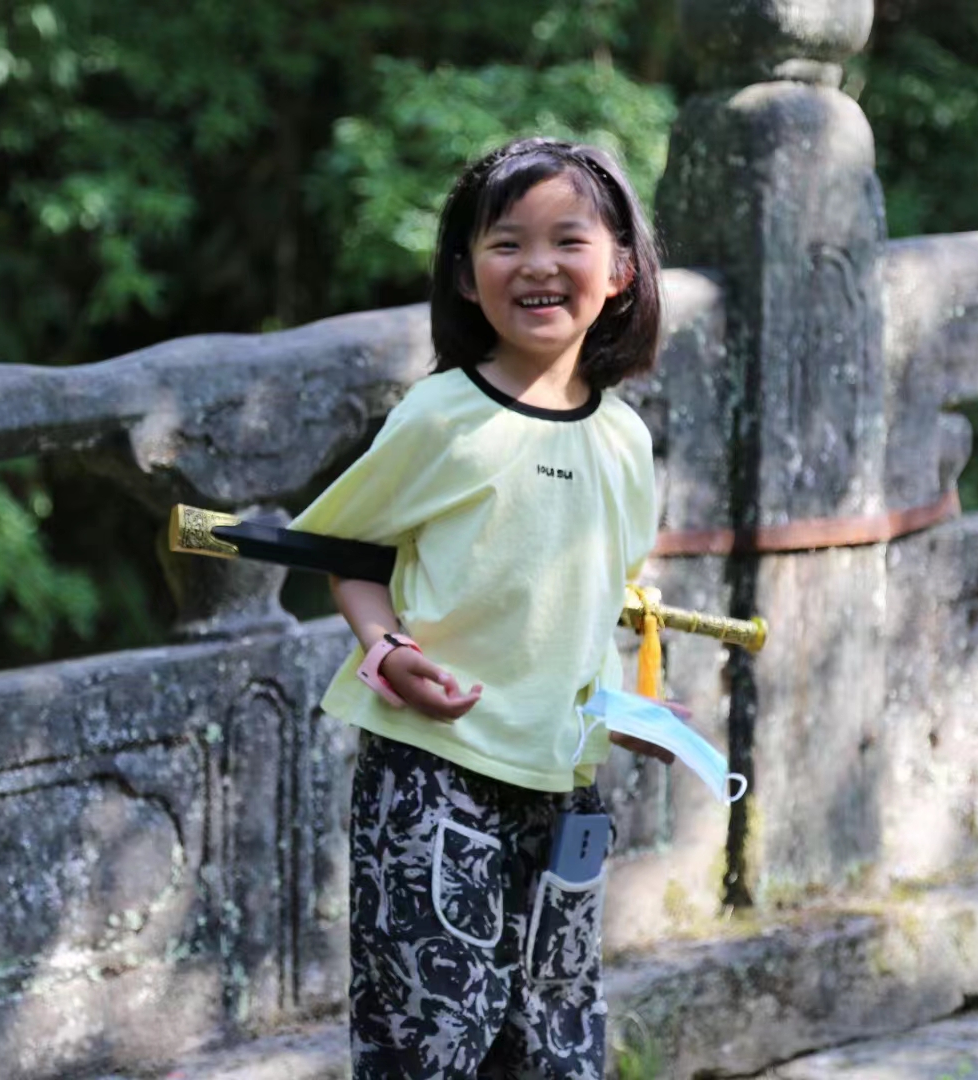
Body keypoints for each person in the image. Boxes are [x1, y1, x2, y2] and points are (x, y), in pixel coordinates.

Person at [291, 137, 689, 1079]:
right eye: (507, 243)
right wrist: (388, 652)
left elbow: (610, 605)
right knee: (428, 1042)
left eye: (568, 241)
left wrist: (637, 711)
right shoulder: (442, 418)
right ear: (467, 278)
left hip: (563, 784)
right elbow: (346, 555)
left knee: (554, 1040)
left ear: (621, 271)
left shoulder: (625, 441)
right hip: (434, 774)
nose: (538, 265)